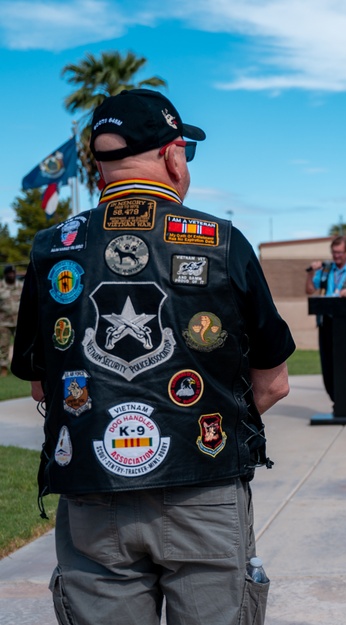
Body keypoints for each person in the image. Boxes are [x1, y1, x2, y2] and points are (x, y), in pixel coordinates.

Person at [11, 88, 296, 625]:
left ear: (99, 169)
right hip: (204, 489)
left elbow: (43, 386)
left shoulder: (53, 248)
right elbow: (274, 382)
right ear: (172, 155)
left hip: (92, 492)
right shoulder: (222, 240)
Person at [306, 235, 346, 414]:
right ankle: (338, 402)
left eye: (340, 253)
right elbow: (310, 290)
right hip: (327, 325)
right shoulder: (325, 271)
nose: (336, 256)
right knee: (328, 366)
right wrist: (312, 272)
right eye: (334, 253)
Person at [0, 264, 20, 376]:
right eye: (9, 273)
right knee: (3, 345)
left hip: (19, 322)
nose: (11, 275)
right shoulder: (1, 287)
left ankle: (20, 367)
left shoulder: (21, 286)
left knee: (20, 345)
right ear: (5, 274)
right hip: (4, 322)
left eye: (13, 273)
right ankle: (3, 368)